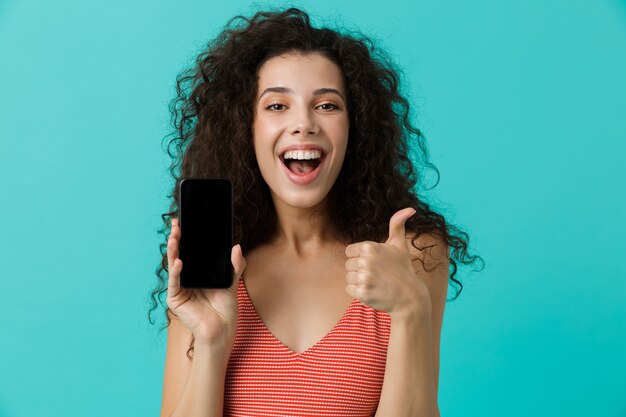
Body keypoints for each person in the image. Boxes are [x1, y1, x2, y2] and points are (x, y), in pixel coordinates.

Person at [149, 6, 482, 417]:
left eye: (327, 105)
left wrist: (412, 309)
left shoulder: (408, 256)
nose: (303, 123)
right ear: (245, 128)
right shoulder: (211, 266)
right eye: (276, 106)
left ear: (354, 126)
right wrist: (213, 339)